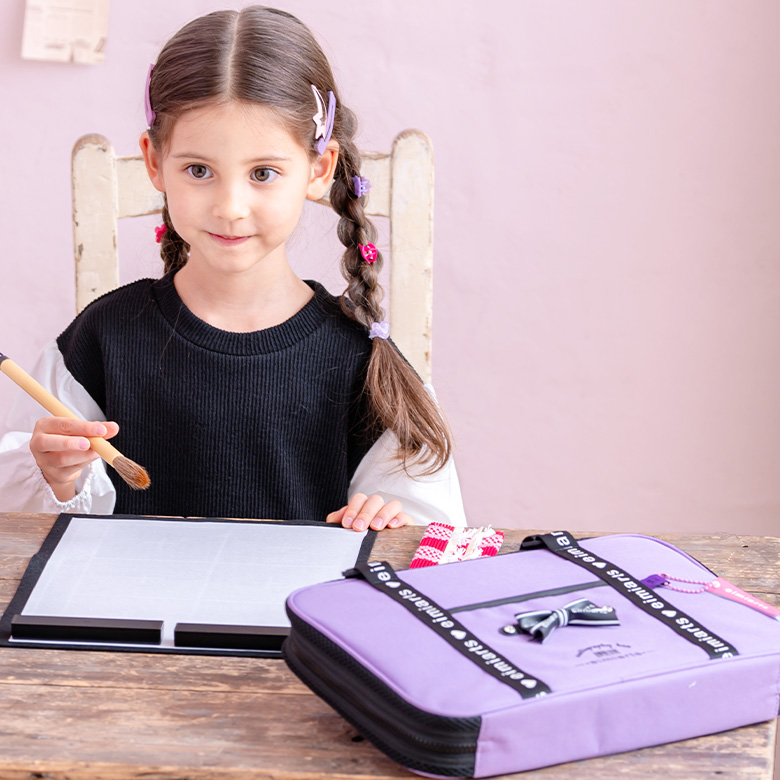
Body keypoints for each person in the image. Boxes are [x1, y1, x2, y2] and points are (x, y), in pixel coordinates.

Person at [0, 6, 466, 531]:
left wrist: (393, 523)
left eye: (263, 172)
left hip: (297, 613)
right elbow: (22, 528)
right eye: (199, 170)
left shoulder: (363, 361)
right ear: (155, 162)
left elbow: (430, 533)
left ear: (318, 169)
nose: (229, 206)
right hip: (134, 613)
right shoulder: (101, 340)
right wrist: (57, 478)